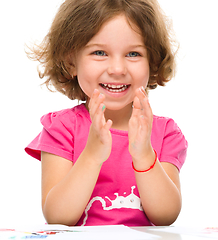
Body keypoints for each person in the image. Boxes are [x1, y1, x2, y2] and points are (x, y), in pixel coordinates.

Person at [25, 0, 188, 227]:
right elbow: (57, 217)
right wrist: (91, 154)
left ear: (152, 62)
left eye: (133, 53)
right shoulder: (61, 128)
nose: (117, 69)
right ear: (71, 61)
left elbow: (166, 216)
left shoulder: (163, 132)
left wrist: (143, 155)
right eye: (100, 52)